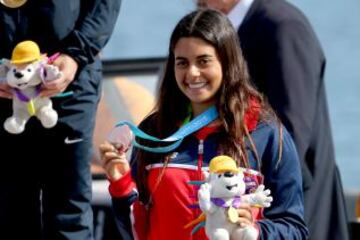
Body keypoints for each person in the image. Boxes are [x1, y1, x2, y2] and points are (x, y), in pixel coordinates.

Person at [99, 9, 308, 240]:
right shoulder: (155, 133)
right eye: (182, 63)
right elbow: (136, 233)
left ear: (227, 62)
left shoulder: (265, 134)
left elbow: (295, 230)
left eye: (203, 61)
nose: (192, 73)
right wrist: (121, 186)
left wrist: (256, 232)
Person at [197, 1, 350, 239]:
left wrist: (252, 203)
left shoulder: (284, 27)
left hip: (293, 211)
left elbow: (292, 133)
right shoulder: (231, 29)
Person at [0, 1, 121, 239]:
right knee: (9, 209)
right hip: (5, 82)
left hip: (70, 78)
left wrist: (76, 55)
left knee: (69, 212)